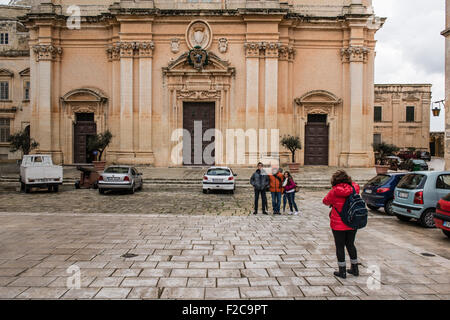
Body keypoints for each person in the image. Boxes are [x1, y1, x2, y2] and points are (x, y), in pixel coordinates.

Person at [322, 170, 360, 279]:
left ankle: (342, 271)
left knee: (340, 247)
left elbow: (325, 201)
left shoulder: (334, 191)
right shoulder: (354, 188)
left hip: (338, 224)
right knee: (351, 244)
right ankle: (355, 268)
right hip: (352, 221)